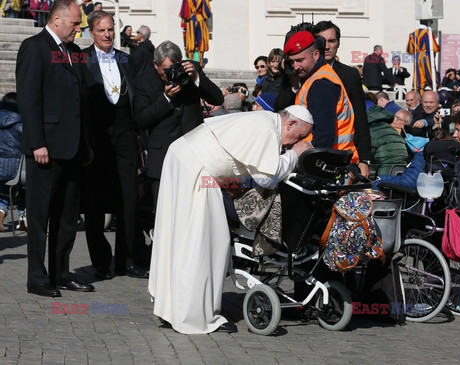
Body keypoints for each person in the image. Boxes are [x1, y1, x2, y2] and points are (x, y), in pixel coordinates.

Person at [148, 105, 313, 334]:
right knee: (204, 242)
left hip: (186, 160)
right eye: (300, 136)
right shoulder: (267, 129)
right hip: (198, 170)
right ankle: (193, 315)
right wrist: (295, 155)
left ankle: (172, 308)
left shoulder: (265, 121)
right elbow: (267, 179)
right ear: (291, 124)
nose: (296, 142)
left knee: (180, 238)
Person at [16, 0, 94, 297]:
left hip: (72, 147)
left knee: (67, 216)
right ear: (58, 19)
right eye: (76, 23)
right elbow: (29, 99)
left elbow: (80, 103)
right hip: (45, 148)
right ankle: (37, 277)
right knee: (40, 216)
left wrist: (85, 144)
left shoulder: (73, 53)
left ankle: (61, 272)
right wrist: (38, 143)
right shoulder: (34, 47)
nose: (79, 29)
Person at [81, 10, 147, 280]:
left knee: (129, 200)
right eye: (101, 30)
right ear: (92, 32)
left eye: (110, 30)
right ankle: (99, 262)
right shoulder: (81, 59)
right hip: (96, 139)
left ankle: (127, 260)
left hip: (125, 137)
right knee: (94, 202)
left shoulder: (126, 59)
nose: (107, 34)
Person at [133, 40, 224, 209]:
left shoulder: (192, 70)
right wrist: (166, 99)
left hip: (194, 155)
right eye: (166, 70)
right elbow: (141, 120)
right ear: (155, 64)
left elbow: (218, 99)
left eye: (176, 67)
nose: (171, 74)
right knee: (165, 213)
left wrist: (196, 78)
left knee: (194, 212)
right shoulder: (143, 81)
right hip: (162, 158)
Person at [282, 30, 359, 163]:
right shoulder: (317, 76)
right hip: (333, 157)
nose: (296, 66)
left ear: (316, 54)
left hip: (329, 161)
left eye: (300, 60)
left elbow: (323, 137)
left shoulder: (321, 84)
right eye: (292, 62)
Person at [311, 20, 372, 177]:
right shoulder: (304, 72)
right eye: (322, 41)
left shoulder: (350, 75)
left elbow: (360, 118)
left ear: (338, 43)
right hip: (310, 152)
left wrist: (365, 160)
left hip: (342, 155)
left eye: (332, 41)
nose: (327, 46)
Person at [0, 92, 25, 232]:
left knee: (2, 190)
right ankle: (23, 217)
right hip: (17, 171)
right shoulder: (22, 122)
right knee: (26, 189)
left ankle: (1, 212)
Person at [367, 105, 409, 175]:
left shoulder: (372, 132)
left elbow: (366, 156)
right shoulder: (395, 132)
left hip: (382, 175)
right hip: (400, 175)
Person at [406, 20, 440, 93]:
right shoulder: (427, 33)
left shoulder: (413, 34)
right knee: (430, 75)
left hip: (417, 56)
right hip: (425, 55)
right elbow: (434, 48)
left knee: (418, 79)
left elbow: (409, 50)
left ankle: (419, 95)